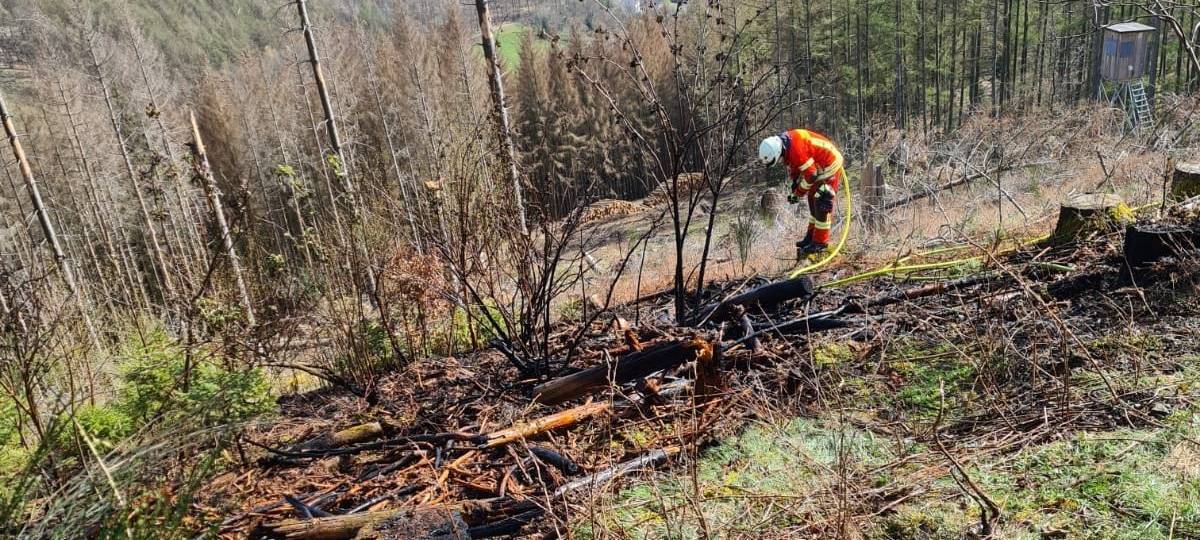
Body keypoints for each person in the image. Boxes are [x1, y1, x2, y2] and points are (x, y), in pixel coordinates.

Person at [758, 129, 844, 256]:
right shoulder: (787, 144)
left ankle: (820, 243)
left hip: (829, 163)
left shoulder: (795, 149)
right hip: (819, 165)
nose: (781, 159)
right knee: (812, 198)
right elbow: (795, 163)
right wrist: (795, 180)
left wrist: (797, 194)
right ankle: (811, 237)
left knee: (822, 198)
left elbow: (811, 176)